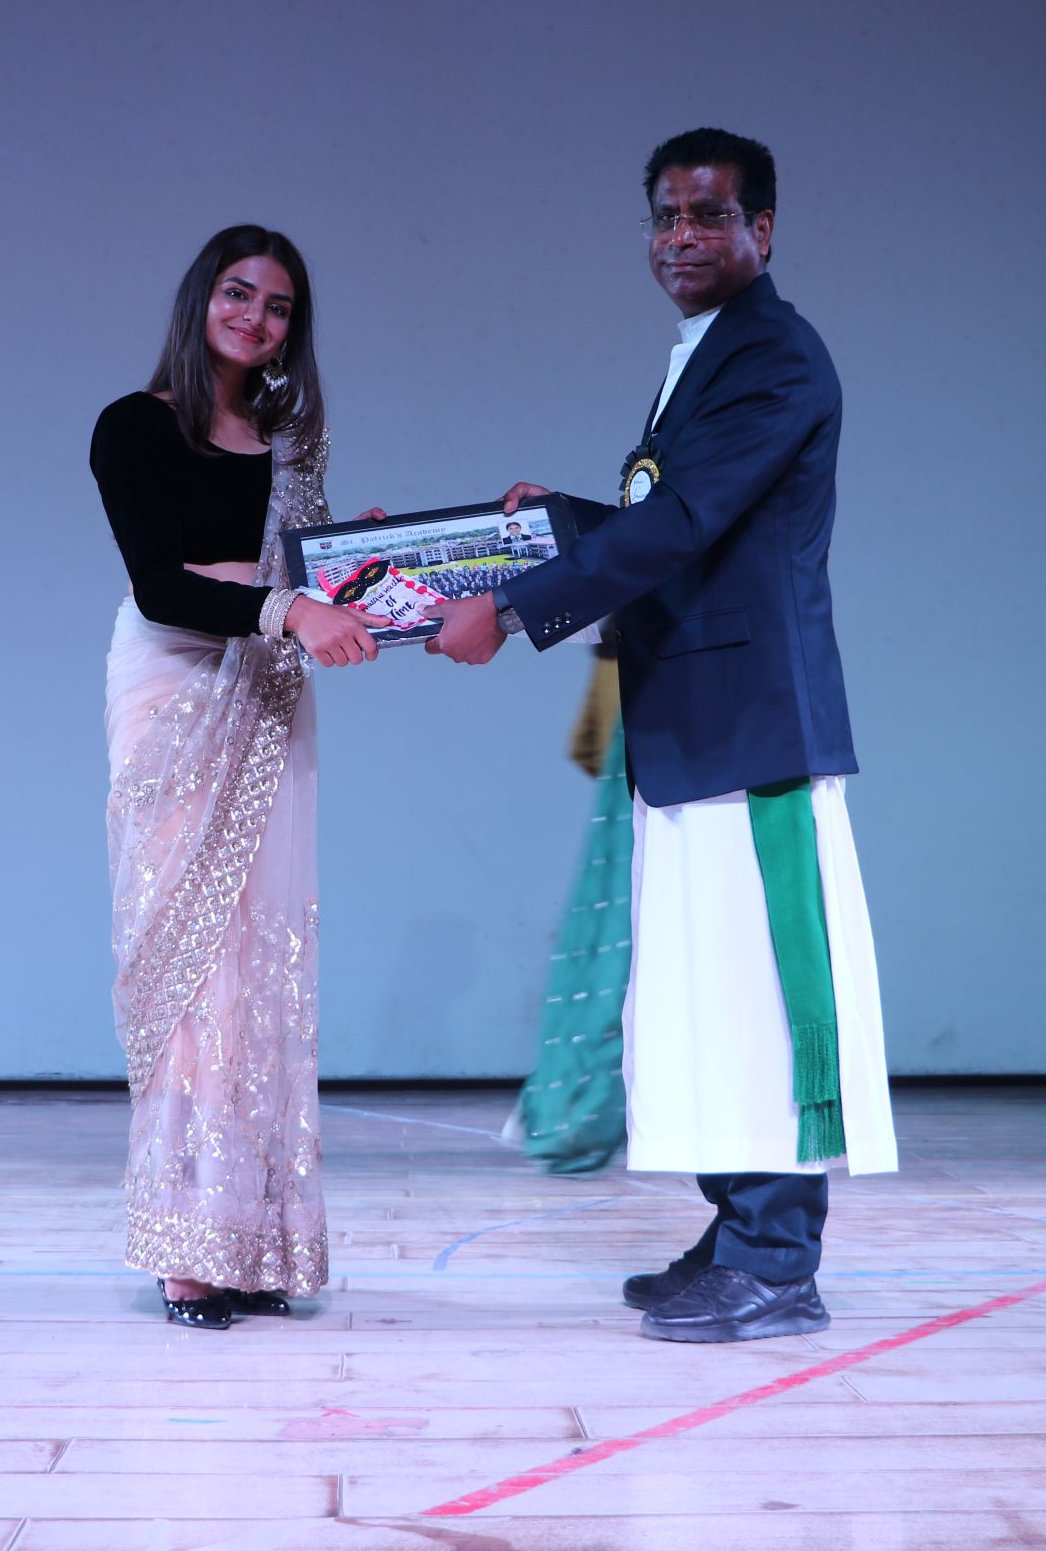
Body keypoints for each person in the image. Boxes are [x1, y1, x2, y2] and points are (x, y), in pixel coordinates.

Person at [429, 129, 898, 1344]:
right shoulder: (708, 352)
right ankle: (738, 1226)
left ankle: (778, 1261)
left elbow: (682, 524)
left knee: (761, 994)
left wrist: (517, 608)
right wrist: (560, 520)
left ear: (762, 229)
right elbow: (681, 522)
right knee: (703, 994)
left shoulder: (773, 356)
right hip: (695, 724)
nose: (681, 236)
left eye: (708, 214)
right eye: (665, 216)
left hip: (756, 732)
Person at [90, 225, 382, 1330]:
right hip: (174, 692)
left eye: (278, 307)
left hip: (265, 691)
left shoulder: (288, 446)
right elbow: (163, 585)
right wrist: (287, 602)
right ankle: (185, 1248)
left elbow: (296, 579)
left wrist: (360, 566)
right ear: (200, 299)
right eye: (238, 293)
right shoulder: (134, 425)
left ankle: (251, 1239)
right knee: (189, 961)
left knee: (264, 958)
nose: (255, 318)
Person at [512, 641, 632, 1174]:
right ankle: (578, 1108)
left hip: (663, 690)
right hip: (650, 685)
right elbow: (590, 746)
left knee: (618, 943)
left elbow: (588, 747)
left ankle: (578, 1108)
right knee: (617, 940)